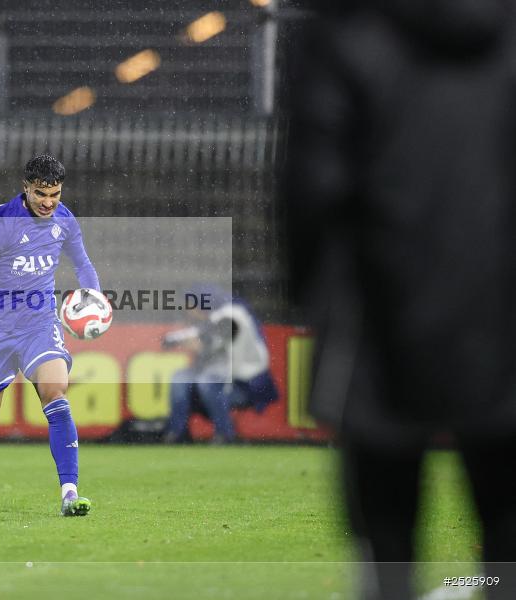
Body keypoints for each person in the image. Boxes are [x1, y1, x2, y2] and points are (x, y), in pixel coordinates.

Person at [284, 1, 516, 598]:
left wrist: (307, 293)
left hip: (375, 313)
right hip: (502, 311)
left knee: (386, 540)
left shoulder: (345, 33)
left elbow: (311, 184)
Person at [0, 154, 100, 516]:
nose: (49, 203)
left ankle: (69, 492)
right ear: (25, 188)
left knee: (55, 391)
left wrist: (93, 297)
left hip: (39, 324)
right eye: (40, 194)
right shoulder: (0, 223)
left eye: (56, 194)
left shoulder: (64, 221)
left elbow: (82, 264)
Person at [162, 287, 278, 444]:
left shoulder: (233, 315)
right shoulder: (212, 319)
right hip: (219, 384)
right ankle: (178, 433)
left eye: (189, 305)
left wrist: (200, 345)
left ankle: (225, 434)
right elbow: (181, 336)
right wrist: (178, 340)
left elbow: (216, 337)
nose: (187, 311)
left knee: (207, 381)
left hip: (245, 387)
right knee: (180, 378)